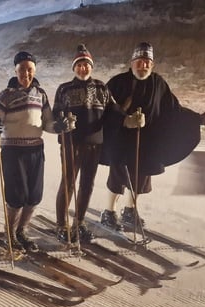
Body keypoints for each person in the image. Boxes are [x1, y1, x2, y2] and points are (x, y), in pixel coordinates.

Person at [99, 42, 205, 230]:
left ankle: (130, 210)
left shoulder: (158, 84)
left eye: (147, 62)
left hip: (147, 143)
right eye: (139, 61)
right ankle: (108, 212)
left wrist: (198, 119)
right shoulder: (118, 82)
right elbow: (104, 109)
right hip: (121, 141)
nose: (143, 66)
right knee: (118, 177)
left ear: (152, 65)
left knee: (141, 177)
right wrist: (124, 119)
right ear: (132, 62)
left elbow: (173, 110)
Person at [0, 52, 74, 252]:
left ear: (34, 70)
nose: (26, 73)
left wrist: (59, 126)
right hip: (12, 151)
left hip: (35, 149)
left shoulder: (40, 94)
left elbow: (47, 123)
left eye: (29, 69)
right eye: (22, 69)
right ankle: (10, 232)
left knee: (34, 195)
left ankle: (21, 231)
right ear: (16, 70)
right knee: (16, 196)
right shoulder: (6, 94)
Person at [52, 44, 124, 243]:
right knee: (68, 182)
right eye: (79, 65)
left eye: (86, 64)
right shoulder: (64, 89)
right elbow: (55, 113)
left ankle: (79, 223)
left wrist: (128, 119)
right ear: (74, 68)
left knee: (87, 184)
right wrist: (61, 122)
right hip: (71, 142)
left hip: (94, 144)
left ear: (91, 66)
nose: (83, 68)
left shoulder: (101, 87)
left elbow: (113, 110)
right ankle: (61, 225)